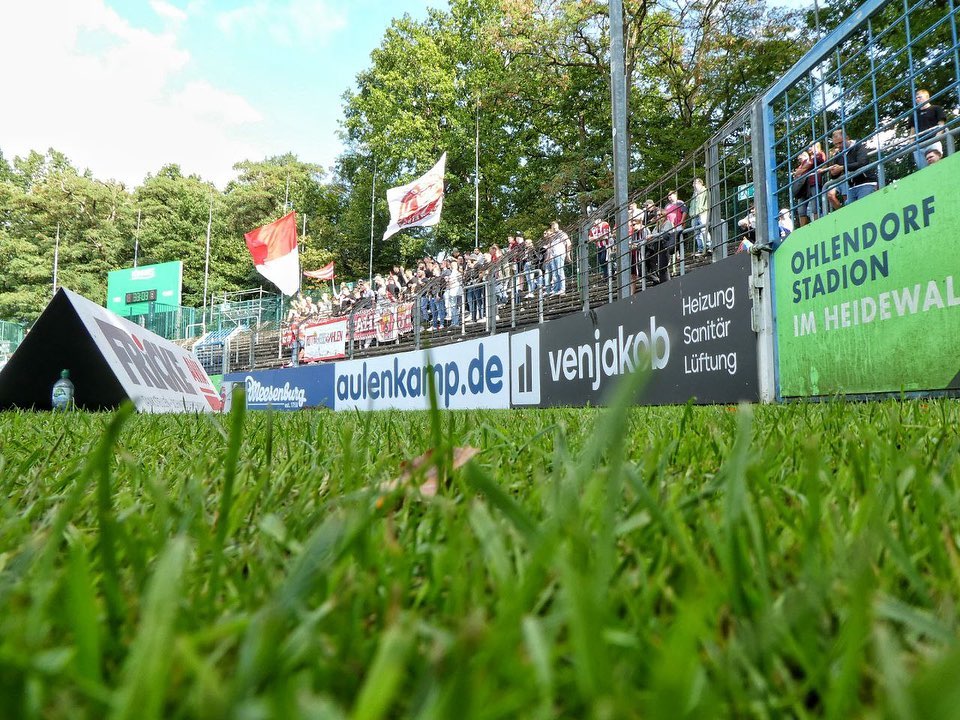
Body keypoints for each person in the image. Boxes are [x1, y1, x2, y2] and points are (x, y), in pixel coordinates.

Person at [821, 129, 877, 207]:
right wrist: (833, 173)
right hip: (851, 187)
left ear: (847, 138)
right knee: (852, 214)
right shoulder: (838, 155)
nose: (838, 146)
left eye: (840, 142)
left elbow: (862, 163)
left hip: (867, 183)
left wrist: (842, 168)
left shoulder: (858, 146)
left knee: (865, 209)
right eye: (836, 144)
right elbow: (835, 177)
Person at [910, 88, 946, 170]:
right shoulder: (914, 114)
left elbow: (941, 125)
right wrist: (912, 146)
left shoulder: (936, 108)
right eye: (916, 98)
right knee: (923, 171)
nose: (917, 99)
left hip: (933, 141)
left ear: (927, 97)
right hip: (919, 146)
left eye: (920, 97)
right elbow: (912, 132)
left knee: (937, 167)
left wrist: (936, 139)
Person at [663, 190, 687, 275]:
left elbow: (684, 211)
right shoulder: (667, 206)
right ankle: (671, 258)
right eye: (668, 196)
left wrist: (682, 221)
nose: (669, 197)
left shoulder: (680, 202)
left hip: (678, 224)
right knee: (670, 242)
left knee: (678, 239)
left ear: (675, 195)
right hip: (669, 226)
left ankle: (680, 256)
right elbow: (664, 215)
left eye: (671, 195)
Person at [544, 221, 570, 294]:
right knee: (555, 274)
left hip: (560, 254)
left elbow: (568, 243)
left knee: (560, 272)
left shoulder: (562, 234)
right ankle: (556, 289)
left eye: (554, 225)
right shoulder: (552, 236)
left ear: (557, 225)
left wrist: (568, 255)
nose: (553, 226)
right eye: (552, 225)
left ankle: (562, 289)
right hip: (553, 256)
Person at [689, 178, 711, 255]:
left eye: (694, 183)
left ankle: (709, 246)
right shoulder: (694, 194)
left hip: (702, 213)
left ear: (700, 183)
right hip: (694, 215)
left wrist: (703, 210)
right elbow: (691, 204)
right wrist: (691, 213)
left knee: (704, 230)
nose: (693, 185)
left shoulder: (705, 191)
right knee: (696, 233)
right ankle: (700, 248)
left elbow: (707, 202)